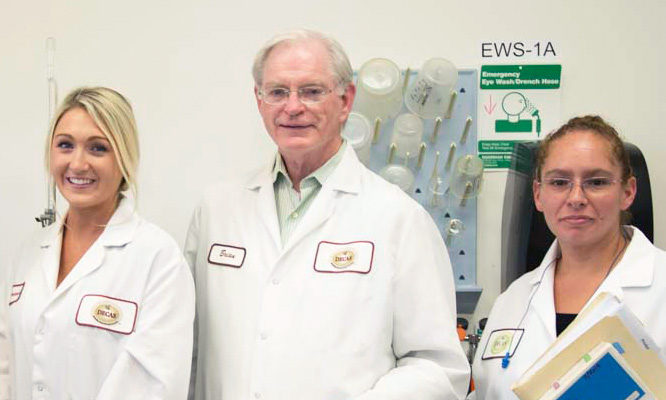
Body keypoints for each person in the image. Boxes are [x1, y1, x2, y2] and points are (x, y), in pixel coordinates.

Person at [185, 29, 470, 399]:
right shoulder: (216, 209)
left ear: (345, 99)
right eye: (277, 92)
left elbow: (437, 366)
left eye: (311, 91)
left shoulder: (398, 218)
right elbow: (187, 348)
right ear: (259, 101)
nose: (292, 107)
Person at [0, 87, 195, 399]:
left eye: (98, 148)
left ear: (124, 157)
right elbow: (7, 365)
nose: (77, 164)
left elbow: (154, 384)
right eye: (65, 145)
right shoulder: (28, 254)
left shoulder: (158, 258)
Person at [470, 115, 666, 399]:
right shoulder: (512, 301)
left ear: (628, 192)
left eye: (596, 182)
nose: (576, 197)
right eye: (559, 182)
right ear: (538, 195)